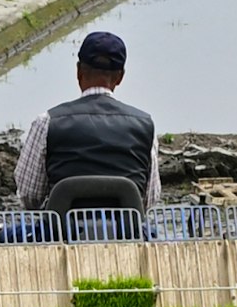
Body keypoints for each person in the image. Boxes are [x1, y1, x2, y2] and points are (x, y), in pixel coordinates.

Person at [14, 29, 161, 211]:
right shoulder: (146, 125)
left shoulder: (47, 122)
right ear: (120, 77)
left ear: (78, 71)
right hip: (126, 234)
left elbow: (30, 195)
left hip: (62, 233)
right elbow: (149, 200)